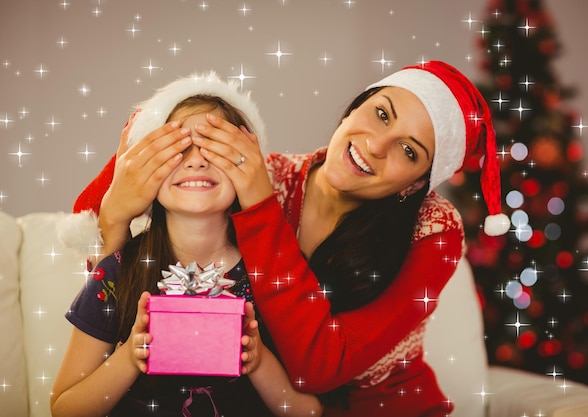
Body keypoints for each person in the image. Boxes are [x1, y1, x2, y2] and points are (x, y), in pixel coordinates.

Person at [63, 61, 511, 416]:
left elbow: (318, 369)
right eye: (380, 114)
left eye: (409, 150)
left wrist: (259, 205)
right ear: (355, 106)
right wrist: (117, 209)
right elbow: (117, 298)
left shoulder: (434, 229)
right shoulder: (268, 175)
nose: (376, 145)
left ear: (418, 183)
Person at [51, 74, 324, 417]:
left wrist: (258, 361)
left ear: (248, 167)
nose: (196, 160)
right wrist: (130, 357)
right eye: (178, 149)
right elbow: (64, 408)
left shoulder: (270, 276)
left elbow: (307, 412)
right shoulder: (116, 274)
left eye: (214, 146)